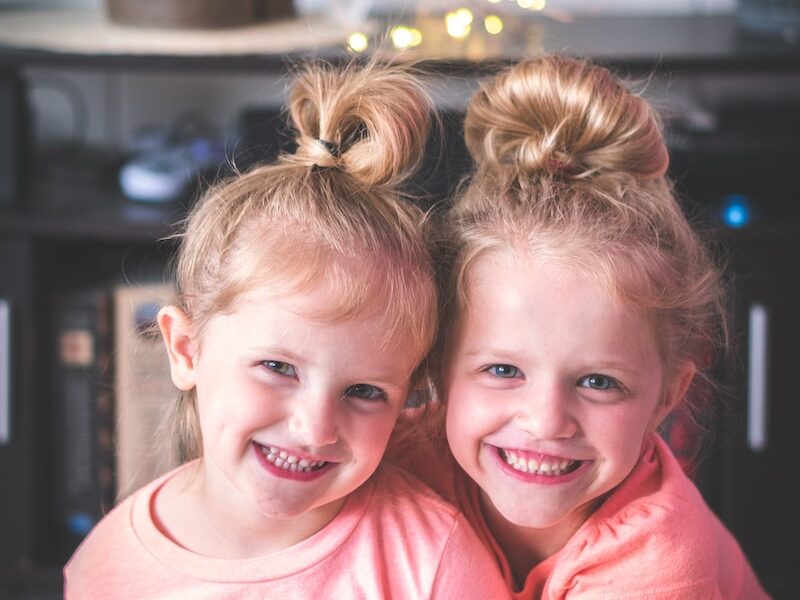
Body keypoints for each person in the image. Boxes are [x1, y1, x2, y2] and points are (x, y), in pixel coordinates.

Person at [64, 61, 510, 599]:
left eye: (365, 392)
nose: (317, 427)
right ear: (186, 349)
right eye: (278, 368)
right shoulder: (109, 566)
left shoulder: (436, 563)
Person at [411, 55, 769, 599]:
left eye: (599, 382)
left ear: (667, 396)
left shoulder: (661, 564)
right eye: (503, 370)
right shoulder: (401, 460)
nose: (546, 422)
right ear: (436, 366)